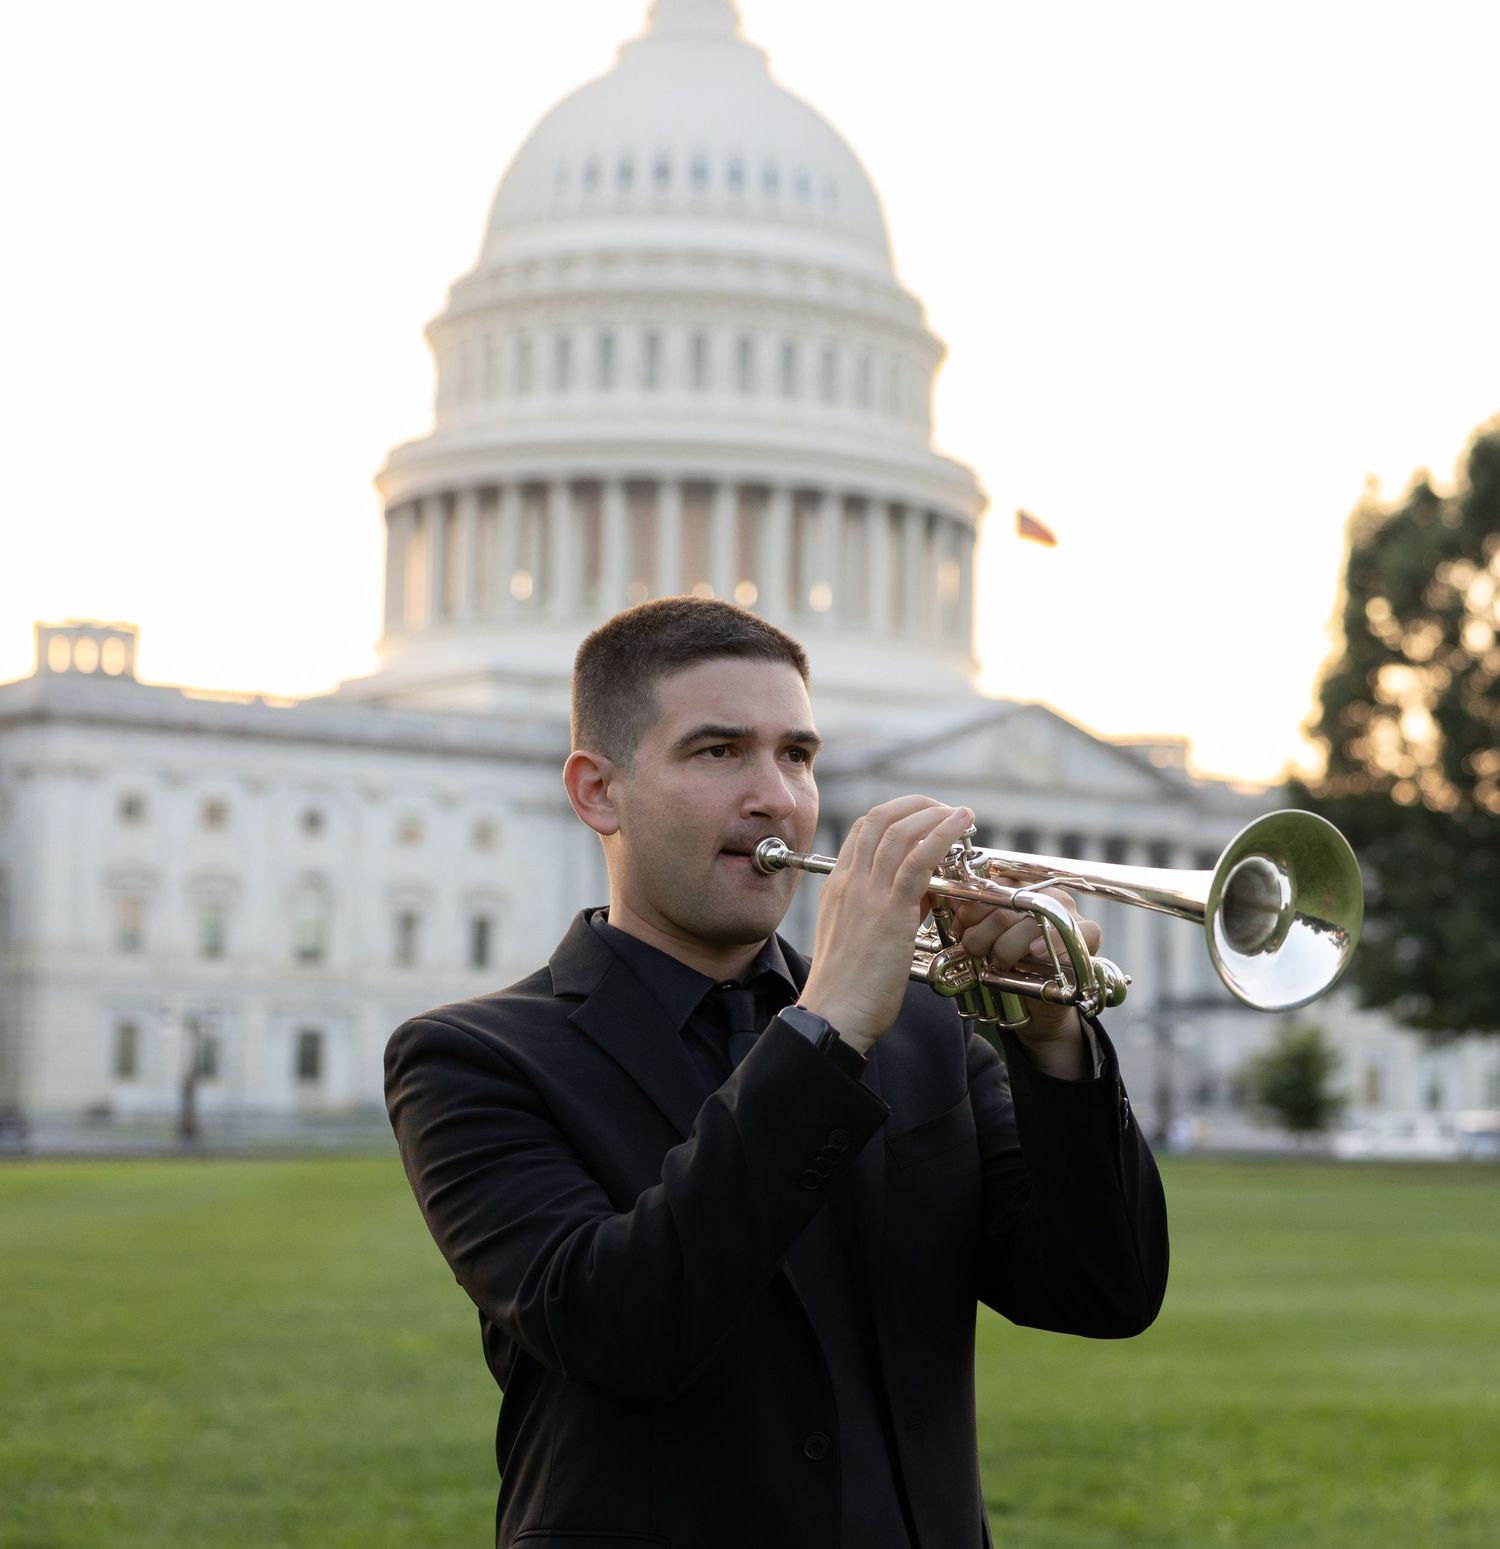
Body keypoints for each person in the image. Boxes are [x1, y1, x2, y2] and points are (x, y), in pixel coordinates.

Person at [385, 597, 1168, 1549]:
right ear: (598, 792)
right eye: (719, 751)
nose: (778, 798)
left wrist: (1052, 1040)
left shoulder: (928, 1034)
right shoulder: (472, 1058)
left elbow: (1104, 1290)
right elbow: (621, 1327)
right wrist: (826, 1026)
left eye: (796, 755)